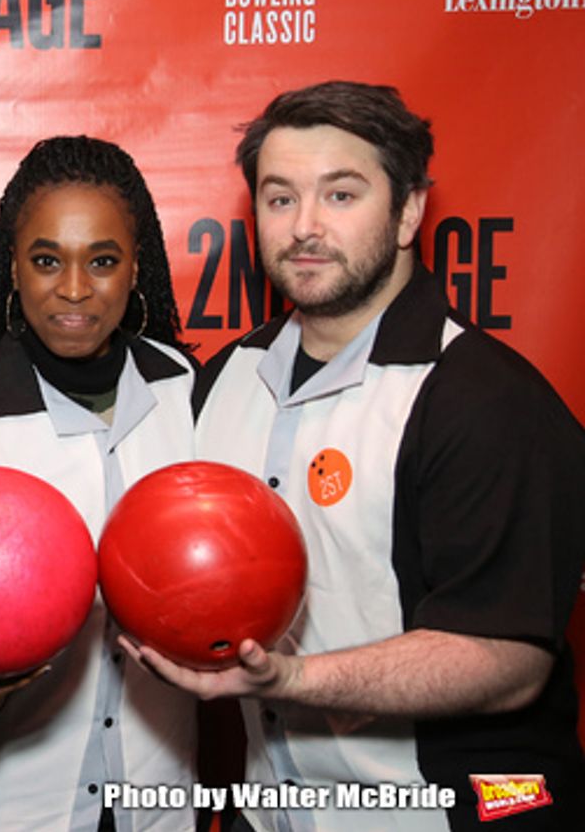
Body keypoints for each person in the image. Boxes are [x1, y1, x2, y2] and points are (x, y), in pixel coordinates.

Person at [123, 81, 585, 830]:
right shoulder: (223, 381)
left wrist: (292, 676)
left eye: (341, 195)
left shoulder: (485, 401)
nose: (305, 226)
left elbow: (508, 662)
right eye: (280, 199)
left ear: (408, 212)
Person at [0, 136, 198, 831]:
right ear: (13, 267)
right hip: (13, 807)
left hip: (159, 803)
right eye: (46, 260)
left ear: (136, 269)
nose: (73, 289)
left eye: (102, 260)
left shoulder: (193, 396)